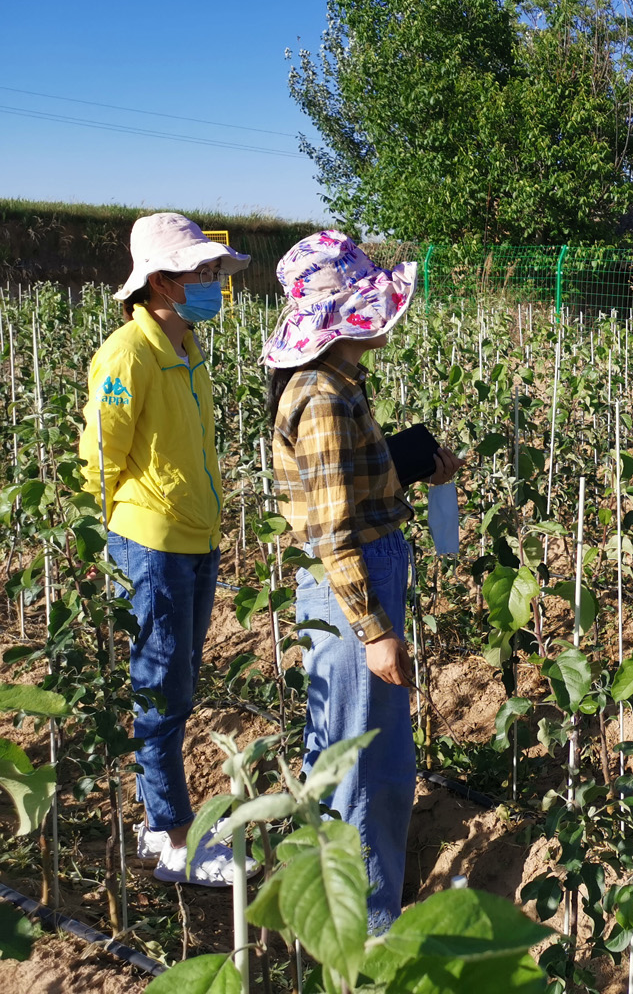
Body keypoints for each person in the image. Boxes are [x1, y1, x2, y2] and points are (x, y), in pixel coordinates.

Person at [263, 231, 461, 933]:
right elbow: (333, 528)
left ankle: (342, 914)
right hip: (353, 585)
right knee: (360, 767)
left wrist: (408, 468)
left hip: (360, 576)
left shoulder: (339, 385)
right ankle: (364, 937)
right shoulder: (322, 397)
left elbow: (345, 489)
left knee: (365, 754)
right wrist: (374, 630)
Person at [79, 212, 254, 886]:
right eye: (200, 272)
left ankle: (159, 821)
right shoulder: (128, 355)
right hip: (151, 545)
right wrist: (100, 543)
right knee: (160, 690)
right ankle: (177, 841)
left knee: (175, 682)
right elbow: (100, 456)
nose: (212, 282)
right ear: (159, 282)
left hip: (194, 537)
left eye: (213, 271)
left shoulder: (188, 349)